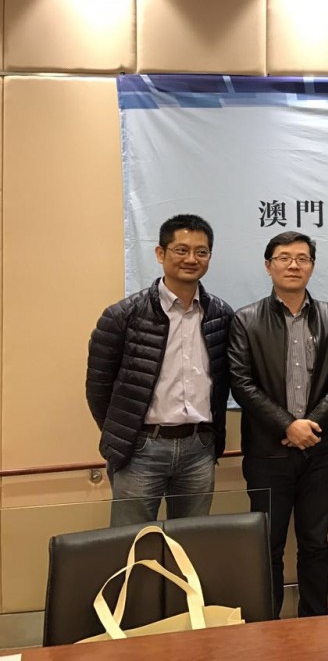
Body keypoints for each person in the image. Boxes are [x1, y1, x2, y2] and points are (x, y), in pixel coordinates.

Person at [228, 231, 328, 618]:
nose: (294, 265)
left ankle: (315, 618)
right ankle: (267, 623)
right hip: (268, 452)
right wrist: (287, 425)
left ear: (312, 266)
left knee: (316, 542)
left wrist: (311, 425)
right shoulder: (246, 319)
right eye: (284, 257)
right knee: (266, 543)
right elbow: (241, 381)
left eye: (302, 258)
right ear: (268, 266)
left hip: (319, 450)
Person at [86, 214, 233, 527]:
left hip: (199, 449)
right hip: (141, 449)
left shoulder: (220, 315)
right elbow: (98, 388)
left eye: (201, 251)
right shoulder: (121, 316)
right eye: (181, 250)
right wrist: (127, 435)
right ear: (160, 253)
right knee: (133, 547)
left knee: (190, 547)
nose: (191, 259)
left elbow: (224, 381)